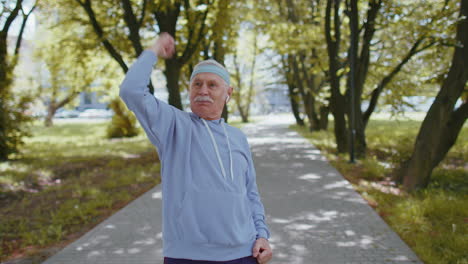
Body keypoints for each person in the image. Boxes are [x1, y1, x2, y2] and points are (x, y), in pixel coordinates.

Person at [119, 32, 273, 264]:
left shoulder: (238, 137)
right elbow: (131, 91)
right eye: (197, 84)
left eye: (212, 85)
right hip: (187, 256)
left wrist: (262, 235)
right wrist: (154, 50)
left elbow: (250, 193)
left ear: (228, 93)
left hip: (244, 253)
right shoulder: (173, 126)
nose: (203, 90)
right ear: (189, 90)